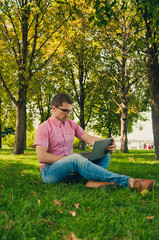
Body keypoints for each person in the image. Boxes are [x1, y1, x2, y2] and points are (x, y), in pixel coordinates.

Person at [34, 93, 155, 192]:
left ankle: (95, 182)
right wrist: (68, 159)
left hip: (71, 171)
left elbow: (90, 139)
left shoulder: (72, 125)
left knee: (104, 153)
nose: (68, 114)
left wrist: (108, 144)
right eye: (65, 111)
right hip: (50, 173)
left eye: (70, 111)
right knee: (75, 158)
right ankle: (130, 182)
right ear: (54, 108)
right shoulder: (44, 128)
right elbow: (42, 157)